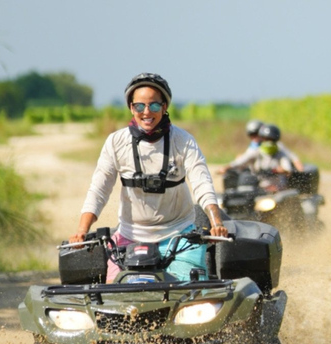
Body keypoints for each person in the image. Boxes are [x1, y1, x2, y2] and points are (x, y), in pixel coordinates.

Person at [69, 72, 228, 282]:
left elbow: (202, 184)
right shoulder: (116, 142)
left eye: (154, 106)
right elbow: (99, 189)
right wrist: (82, 230)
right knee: (115, 294)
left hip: (179, 236)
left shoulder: (184, 141)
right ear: (131, 108)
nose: (146, 112)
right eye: (139, 106)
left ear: (164, 107)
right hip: (129, 237)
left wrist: (216, 222)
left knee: (191, 292)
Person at [219, 123, 300, 190]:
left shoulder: (281, 154)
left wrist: (280, 170)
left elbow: (288, 169)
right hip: (260, 188)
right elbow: (239, 162)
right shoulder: (256, 152)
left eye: (271, 140)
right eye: (266, 139)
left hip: (277, 188)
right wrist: (226, 168)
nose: (268, 142)